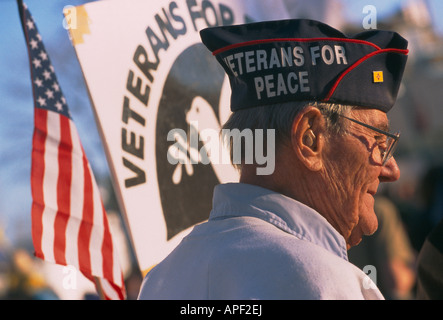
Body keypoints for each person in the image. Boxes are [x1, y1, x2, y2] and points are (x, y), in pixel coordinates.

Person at [138, 19, 408, 299]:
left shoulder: (161, 278)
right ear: (310, 138)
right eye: (378, 141)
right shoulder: (322, 281)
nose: (391, 169)